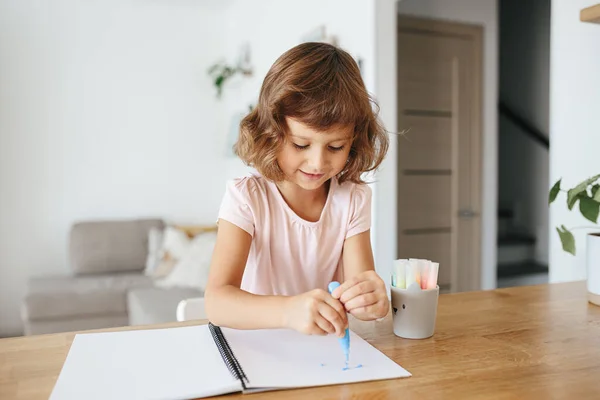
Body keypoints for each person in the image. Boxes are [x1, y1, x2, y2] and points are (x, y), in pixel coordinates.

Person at [204, 42, 389, 338]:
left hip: (323, 351)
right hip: (258, 346)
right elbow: (216, 302)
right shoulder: (247, 198)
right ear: (270, 132)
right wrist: (288, 311)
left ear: (354, 140)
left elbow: (360, 291)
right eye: (301, 144)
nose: (317, 162)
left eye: (335, 146)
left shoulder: (352, 199)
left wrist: (371, 300)